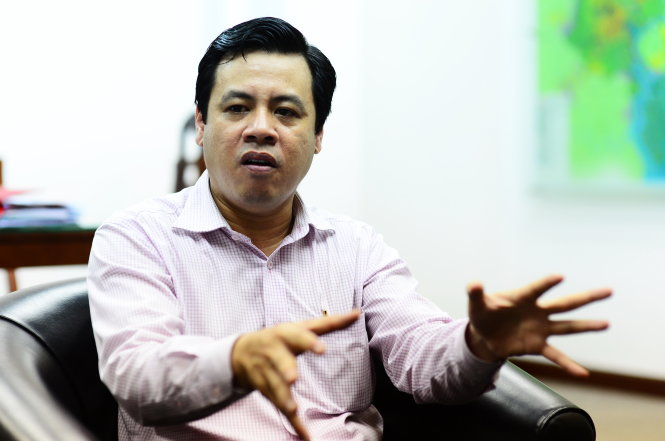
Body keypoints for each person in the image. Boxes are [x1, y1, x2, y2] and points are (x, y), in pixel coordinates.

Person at [87, 17, 611, 441]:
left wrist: (478, 344)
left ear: (318, 136)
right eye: (238, 107)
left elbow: (420, 356)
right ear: (202, 124)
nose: (261, 128)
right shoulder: (136, 237)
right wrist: (236, 359)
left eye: (286, 112)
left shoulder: (356, 248)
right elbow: (137, 377)